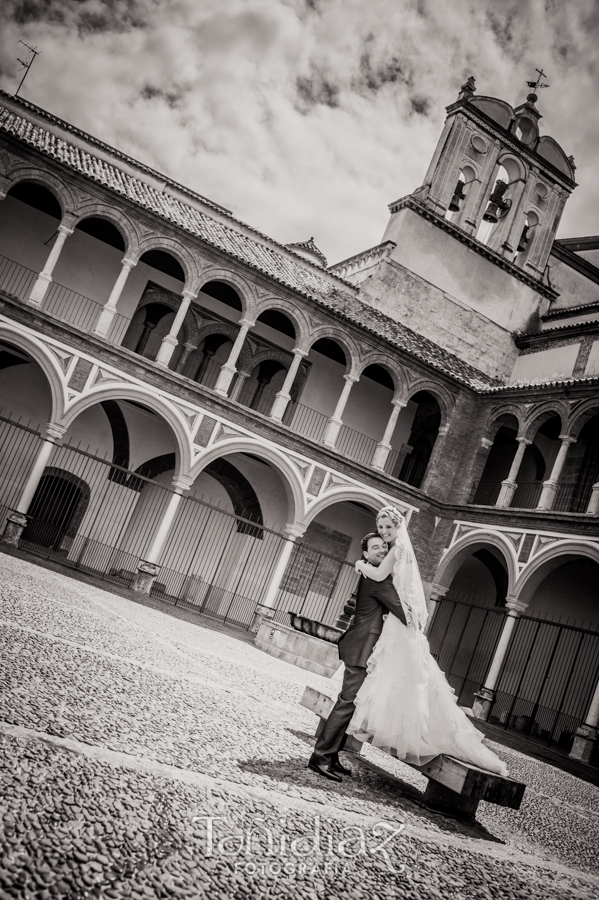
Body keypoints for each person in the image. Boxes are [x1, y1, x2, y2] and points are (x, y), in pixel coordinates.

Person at [347, 506, 508, 777]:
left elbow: (377, 576)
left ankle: (388, 725)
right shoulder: (399, 549)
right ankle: (377, 722)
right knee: (397, 671)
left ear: (398, 526)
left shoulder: (397, 549)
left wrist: (360, 563)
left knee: (397, 671)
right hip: (398, 620)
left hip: (399, 622)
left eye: (388, 527)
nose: (385, 532)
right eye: (381, 527)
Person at [307, 531, 407, 782]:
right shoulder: (378, 579)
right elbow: (403, 612)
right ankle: (320, 757)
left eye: (384, 546)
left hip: (363, 647)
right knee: (346, 703)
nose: (382, 550)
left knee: (352, 704)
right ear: (365, 554)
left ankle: (332, 755)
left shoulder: (374, 573)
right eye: (375, 548)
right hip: (361, 648)